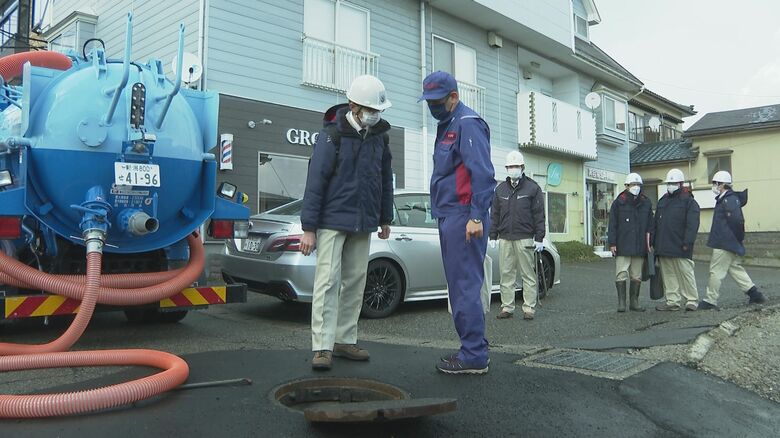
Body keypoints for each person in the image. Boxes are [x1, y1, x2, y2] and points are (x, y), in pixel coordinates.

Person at [300, 75, 394, 371]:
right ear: (352, 105)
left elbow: (384, 179)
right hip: (331, 220)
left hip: (364, 221)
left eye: (376, 109)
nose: (373, 114)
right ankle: (323, 346)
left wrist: (385, 217)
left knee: (355, 281)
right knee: (327, 281)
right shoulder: (331, 135)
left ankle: (344, 340)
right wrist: (308, 228)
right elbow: (316, 181)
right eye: (368, 108)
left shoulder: (380, 137)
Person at [420, 71, 495, 375]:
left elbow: (483, 174)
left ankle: (474, 354)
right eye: (428, 102)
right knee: (461, 286)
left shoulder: (467, 123)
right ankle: (472, 349)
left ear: (454, 96)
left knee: (464, 286)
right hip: (452, 214)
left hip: (464, 215)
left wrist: (476, 215)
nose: (432, 107)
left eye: (437, 101)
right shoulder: (449, 124)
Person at [489, 150, 546, 321]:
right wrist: (492, 235)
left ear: (522, 167)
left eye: (516, 166)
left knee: (528, 275)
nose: (513, 169)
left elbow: (539, 214)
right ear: (506, 168)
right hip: (505, 237)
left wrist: (539, 238)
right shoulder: (500, 190)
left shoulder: (532, 188)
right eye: (510, 166)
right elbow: (495, 214)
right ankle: (507, 307)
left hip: (525, 238)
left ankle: (529, 309)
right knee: (506, 274)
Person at [700, 171, 767, 310]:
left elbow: (737, 221)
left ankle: (710, 300)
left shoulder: (728, 199)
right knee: (735, 268)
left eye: (716, 183)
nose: (714, 186)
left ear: (723, 184)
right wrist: (736, 240)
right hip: (728, 241)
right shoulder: (726, 199)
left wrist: (735, 238)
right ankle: (755, 294)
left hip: (724, 242)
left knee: (716, 270)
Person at [653, 168, 700, 311]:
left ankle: (692, 300)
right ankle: (672, 301)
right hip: (663, 245)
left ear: (680, 184)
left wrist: (687, 242)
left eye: (673, 183)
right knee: (668, 275)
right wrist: (654, 242)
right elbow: (656, 223)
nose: (670, 186)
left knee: (686, 273)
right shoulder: (663, 200)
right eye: (669, 183)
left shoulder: (689, 202)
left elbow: (692, 225)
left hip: (681, 245)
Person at [608, 172, 654, 312]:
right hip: (622, 244)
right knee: (621, 273)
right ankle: (622, 303)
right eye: (633, 185)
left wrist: (650, 243)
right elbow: (612, 225)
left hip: (640, 246)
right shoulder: (618, 202)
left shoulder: (646, 202)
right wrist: (612, 243)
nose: (636, 187)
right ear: (626, 186)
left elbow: (650, 225)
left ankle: (634, 302)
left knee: (636, 275)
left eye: (638, 185)